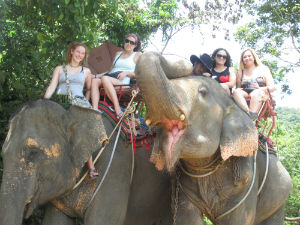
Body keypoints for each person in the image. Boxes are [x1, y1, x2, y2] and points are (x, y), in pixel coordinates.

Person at [44, 41, 99, 178]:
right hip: (61, 101)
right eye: (78, 52)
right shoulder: (59, 69)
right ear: (72, 52)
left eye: (83, 53)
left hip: (78, 103)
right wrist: (44, 101)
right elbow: (52, 86)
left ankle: (91, 167)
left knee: (82, 130)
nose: (80, 55)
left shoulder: (86, 71)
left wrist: (86, 100)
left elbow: (89, 88)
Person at [91, 33, 142, 118]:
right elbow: (109, 71)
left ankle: (117, 109)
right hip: (110, 78)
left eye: (132, 42)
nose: (128, 44)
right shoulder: (118, 54)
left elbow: (139, 74)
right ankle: (95, 109)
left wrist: (126, 73)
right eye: (127, 41)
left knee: (105, 79)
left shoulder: (137, 55)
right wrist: (96, 76)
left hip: (123, 83)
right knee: (94, 81)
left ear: (135, 45)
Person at [232, 48, 275, 120]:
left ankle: (251, 118)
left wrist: (259, 88)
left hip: (259, 92)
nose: (247, 58)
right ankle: (246, 115)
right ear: (242, 60)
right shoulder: (240, 72)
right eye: (244, 57)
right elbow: (238, 87)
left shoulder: (263, 69)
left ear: (254, 57)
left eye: (249, 56)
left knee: (256, 93)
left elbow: (272, 87)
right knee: (236, 91)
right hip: (245, 93)